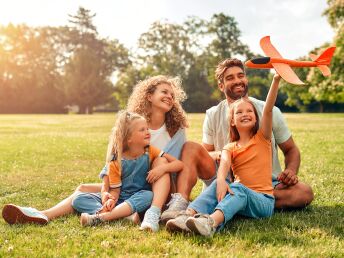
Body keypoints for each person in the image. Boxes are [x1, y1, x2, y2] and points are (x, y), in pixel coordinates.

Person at [2, 75, 188, 230]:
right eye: (164, 92)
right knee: (81, 191)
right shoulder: (132, 123)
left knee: (159, 164)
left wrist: (161, 170)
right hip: (123, 188)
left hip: (155, 189)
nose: (170, 96)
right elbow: (114, 163)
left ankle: (131, 214)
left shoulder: (174, 131)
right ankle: (44, 214)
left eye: (173, 94)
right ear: (148, 95)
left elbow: (176, 165)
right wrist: (108, 193)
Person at [160, 58, 314, 223]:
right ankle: (182, 205)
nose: (237, 80)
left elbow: (291, 150)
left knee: (304, 193)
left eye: (240, 75)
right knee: (190, 147)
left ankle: (238, 201)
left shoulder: (268, 111)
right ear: (221, 86)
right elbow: (205, 154)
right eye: (230, 77)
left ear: (246, 79)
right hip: (224, 178)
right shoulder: (213, 114)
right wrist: (224, 154)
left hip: (265, 183)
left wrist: (290, 171)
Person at [166, 74, 282, 236]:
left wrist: (275, 80)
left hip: (263, 202)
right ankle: (187, 216)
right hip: (239, 198)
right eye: (239, 112)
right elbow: (224, 165)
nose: (245, 114)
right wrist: (220, 180)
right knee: (219, 184)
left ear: (256, 118)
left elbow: (268, 109)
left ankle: (210, 223)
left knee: (237, 188)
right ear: (232, 121)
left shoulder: (263, 139)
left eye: (249, 111)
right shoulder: (230, 147)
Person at [73, 111, 183, 229]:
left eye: (147, 129)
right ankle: (121, 215)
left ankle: (103, 217)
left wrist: (162, 168)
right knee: (78, 199)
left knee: (148, 195)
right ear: (129, 138)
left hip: (139, 198)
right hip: (120, 199)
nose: (148, 132)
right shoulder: (116, 160)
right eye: (142, 130)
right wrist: (110, 200)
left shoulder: (150, 151)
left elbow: (179, 164)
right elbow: (115, 190)